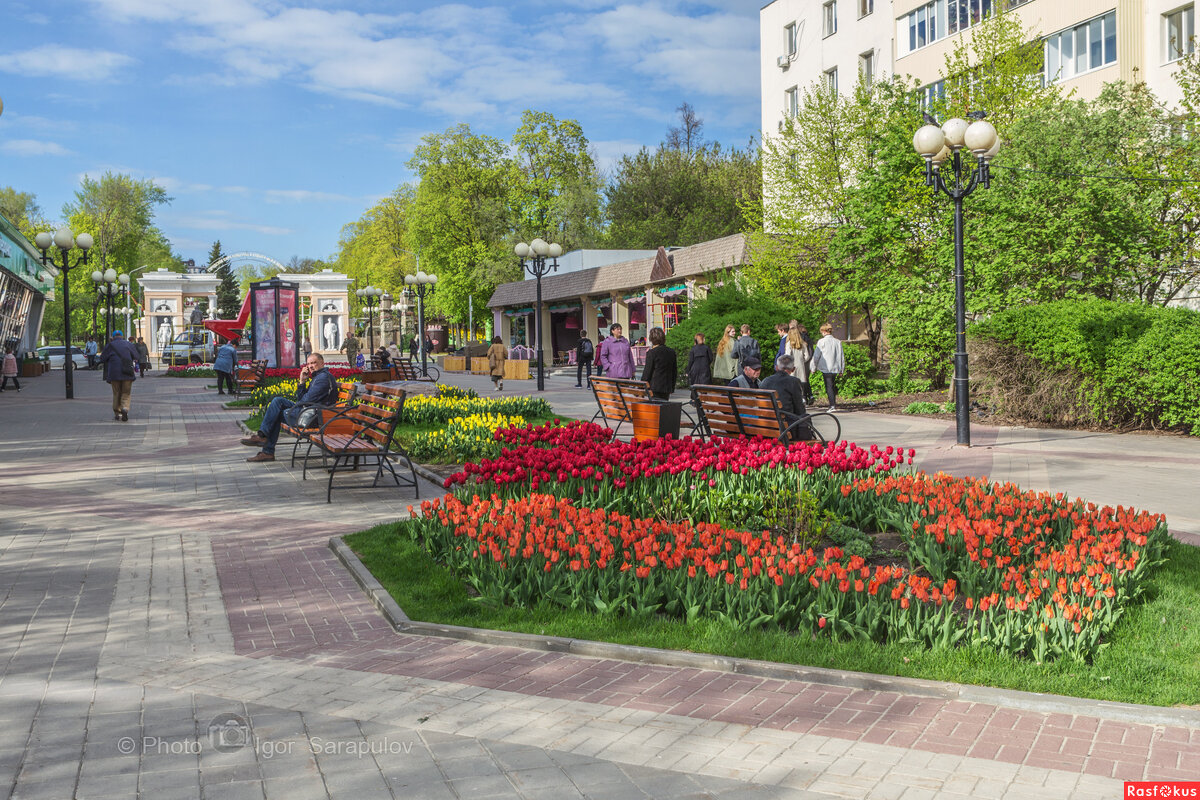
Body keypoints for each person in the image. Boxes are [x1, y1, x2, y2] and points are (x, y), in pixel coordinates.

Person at [241, 353, 337, 463]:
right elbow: (301, 399)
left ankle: (266, 448)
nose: (310, 366)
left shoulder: (323, 379)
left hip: (315, 417)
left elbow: (304, 401)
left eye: (314, 363)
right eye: (309, 363)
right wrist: (302, 382)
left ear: (322, 363)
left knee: (277, 413)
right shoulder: (318, 377)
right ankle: (263, 440)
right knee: (278, 401)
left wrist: (302, 394)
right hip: (309, 412)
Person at [761, 355, 811, 441]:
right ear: (793, 369)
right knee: (805, 416)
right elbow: (799, 409)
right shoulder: (794, 382)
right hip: (786, 428)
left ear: (776, 368)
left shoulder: (765, 381)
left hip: (766, 425)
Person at [99, 330, 140, 421]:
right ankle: (125, 408)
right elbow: (137, 356)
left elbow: (102, 358)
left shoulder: (110, 345)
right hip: (127, 372)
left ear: (113, 337)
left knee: (116, 393)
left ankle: (117, 413)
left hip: (114, 373)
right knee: (126, 392)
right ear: (122, 336)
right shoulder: (128, 344)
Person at [811, 323, 845, 411]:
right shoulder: (837, 342)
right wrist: (842, 369)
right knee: (832, 385)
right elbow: (841, 356)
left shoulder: (821, 342)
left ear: (824, 331)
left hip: (826, 367)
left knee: (828, 386)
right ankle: (833, 403)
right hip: (835, 367)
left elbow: (816, 356)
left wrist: (813, 367)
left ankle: (832, 405)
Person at [640, 327, 677, 400]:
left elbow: (647, 372)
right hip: (667, 387)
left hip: (654, 387)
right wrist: (672, 387)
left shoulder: (651, 353)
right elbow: (674, 371)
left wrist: (641, 387)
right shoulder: (671, 352)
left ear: (651, 339)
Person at [784, 324, 813, 405]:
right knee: (801, 384)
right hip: (801, 366)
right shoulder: (803, 344)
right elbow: (807, 356)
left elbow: (787, 356)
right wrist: (802, 361)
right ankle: (802, 398)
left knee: (792, 385)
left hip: (792, 366)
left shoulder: (789, 344)